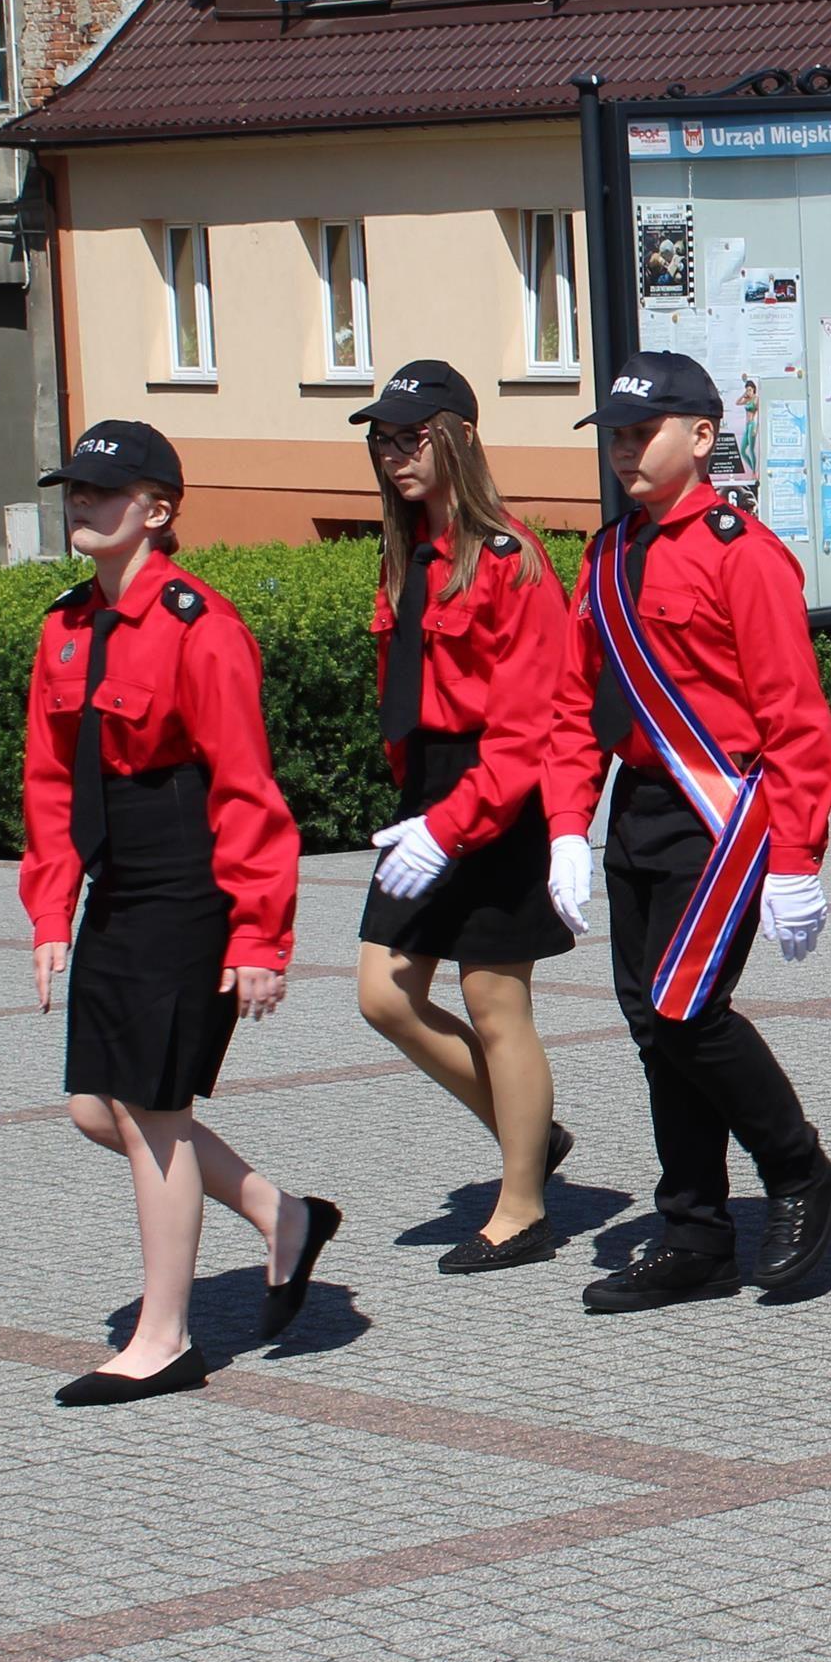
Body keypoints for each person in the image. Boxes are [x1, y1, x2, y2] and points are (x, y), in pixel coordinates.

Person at [21, 421, 332, 1405]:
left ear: (157, 510)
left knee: (155, 1112)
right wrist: (51, 908)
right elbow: (49, 784)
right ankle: (277, 1213)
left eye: (102, 491)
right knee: (92, 1107)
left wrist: (259, 933)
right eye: (73, 488)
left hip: (193, 878)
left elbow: (248, 790)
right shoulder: (65, 627)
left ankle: (163, 1339)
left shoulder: (203, 626)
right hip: (120, 881)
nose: (81, 503)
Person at [544, 351, 831, 1313]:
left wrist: (800, 856)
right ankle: (694, 1231)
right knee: (651, 1026)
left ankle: (799, 1170)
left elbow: (796, 718)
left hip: (726, 817)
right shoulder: (605, 555)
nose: (626, 452)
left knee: (686, 1009)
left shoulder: (740, 551)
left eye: (644, 433)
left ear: (702, 436)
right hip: (641, 806)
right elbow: (571, 703)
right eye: (617, 437)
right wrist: (565, 828)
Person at [345, 359, 580, 1272]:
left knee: (493, 998)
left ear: (461, 439)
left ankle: (522, 1204)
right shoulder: (406, 549)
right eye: (385, 439)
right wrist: (420, 805)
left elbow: (528, 725)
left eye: (414, 436)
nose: (397, 454)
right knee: (383, 994)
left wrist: (454, 820)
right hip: (429, 789)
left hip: (496, 790)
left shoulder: (510, 557)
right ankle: (529, 1134)